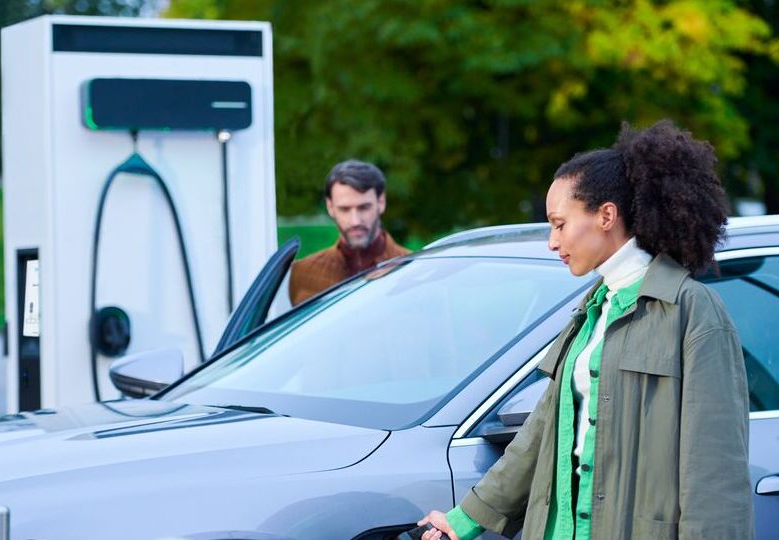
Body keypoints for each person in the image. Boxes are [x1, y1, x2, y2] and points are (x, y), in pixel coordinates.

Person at [418, 120, 752, 540]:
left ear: (606, 215)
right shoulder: (592, 310)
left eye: (559, 224)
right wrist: (464, 520)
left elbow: (715, 474)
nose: (552, 241)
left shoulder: (693, 312)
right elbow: (542, 433)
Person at [288, 159, 410, 306]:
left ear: (381, 202)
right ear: (330, 207)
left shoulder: (412, 269)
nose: (355, 221)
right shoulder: (304, 273)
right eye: (344, 209)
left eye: (364, 207)